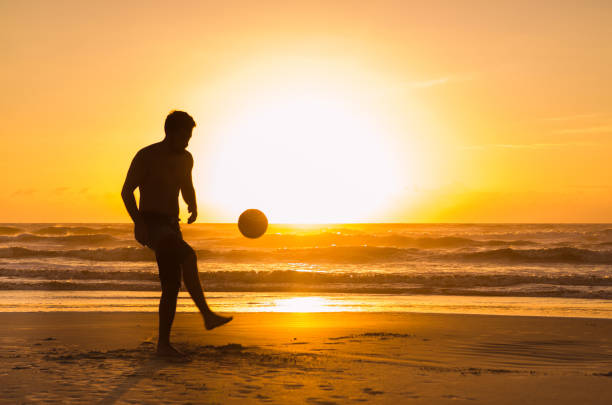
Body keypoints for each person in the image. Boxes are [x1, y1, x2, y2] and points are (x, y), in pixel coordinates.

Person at [121, 110, 232, 357]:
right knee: (188, 256)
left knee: (171, 285)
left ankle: (163, 346)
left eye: (190, 136)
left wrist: (193, 204)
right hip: (151, 223)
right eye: (184, 136)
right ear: (169, 132)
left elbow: (186, 185)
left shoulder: (186, 158)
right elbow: (126, 192)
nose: (187, 141)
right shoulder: (146, 156)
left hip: (172, 225)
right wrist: (138, 223)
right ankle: (207, 316)